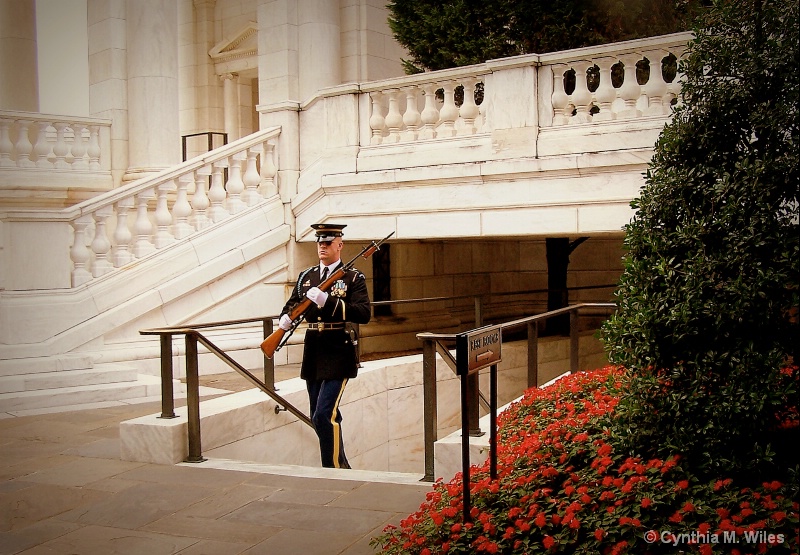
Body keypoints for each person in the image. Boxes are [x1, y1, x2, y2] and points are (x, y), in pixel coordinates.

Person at [278, 223, 371, 468]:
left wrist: (327, 301)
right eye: (319, 242)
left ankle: (332, 469)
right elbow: (293, 304)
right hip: (314, 351)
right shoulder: (306, 277)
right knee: (321, 416)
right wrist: (286, 318)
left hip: (338, 350)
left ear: (340, 245)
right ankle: (342, 465)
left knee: (323, 414)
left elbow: (363, 313)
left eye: (328, 242)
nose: (322, 246)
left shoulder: (353, 277)